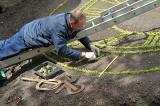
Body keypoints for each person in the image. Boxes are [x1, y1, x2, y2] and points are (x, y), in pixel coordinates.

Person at [0, 10, 100, 61]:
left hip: (33, 27)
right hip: (28, 36)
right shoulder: (58, 29)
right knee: (7, 51)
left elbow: (78, 31)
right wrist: (84, 55)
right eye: (80, 26)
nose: (81, 28)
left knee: (6, 44)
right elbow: (62, 50)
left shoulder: (70, 17)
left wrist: (89, 44)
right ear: (72, 24)